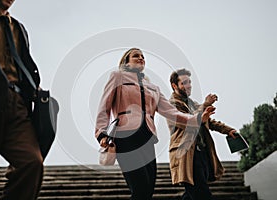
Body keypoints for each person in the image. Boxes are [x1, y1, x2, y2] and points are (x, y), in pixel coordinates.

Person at [95, 48, 216, 200]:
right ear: (126, 61)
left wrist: (197, 119)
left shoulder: (153, 88)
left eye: (143, 57)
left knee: (148, 190)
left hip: (147, 139)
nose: (141, 58)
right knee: (139, 189)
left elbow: (173, 113)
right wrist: (101, 132)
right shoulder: (117, 77)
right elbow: (104, 106)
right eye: (136, 56)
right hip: (125, 136)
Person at [0, 0, 43, 199]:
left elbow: (23, 61)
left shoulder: (18, 27)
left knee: (32, 162)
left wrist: (33, 87)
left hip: (17, 103)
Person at [167, 68, 237, 200]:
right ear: (174, 85)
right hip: (186, 154)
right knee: (202, 194)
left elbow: (209, 122)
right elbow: (187, 121)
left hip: (201, 152)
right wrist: (204, 104)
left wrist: (228, 130)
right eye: (184, 83)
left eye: (189, 82)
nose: (188, 86)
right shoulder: (172, 105)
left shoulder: (192, 103)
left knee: (192, 194)